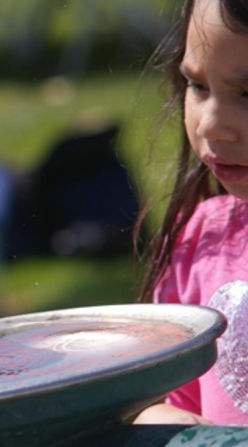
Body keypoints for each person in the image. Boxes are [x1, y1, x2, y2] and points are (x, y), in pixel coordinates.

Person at [133, 0, 248, 425]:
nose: (211, 124)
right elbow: (163, 402)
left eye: (247, 93)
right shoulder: (200, 238)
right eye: (198, 86)